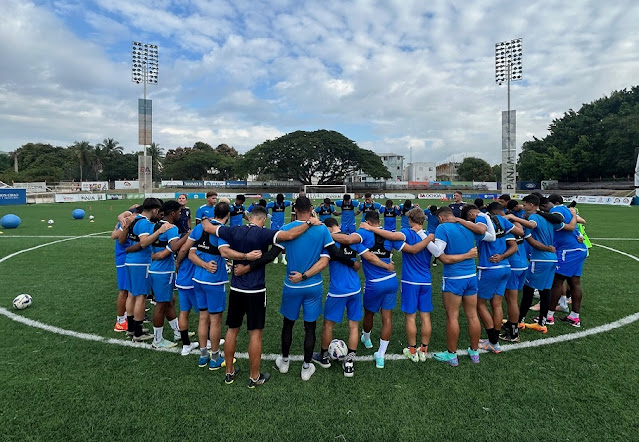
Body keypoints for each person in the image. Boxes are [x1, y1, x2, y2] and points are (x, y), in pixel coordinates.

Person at [202, 205, 321, 388]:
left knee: (232, 330)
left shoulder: (233, 230)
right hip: (255, 291)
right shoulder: (263, 234)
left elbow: (208, 227)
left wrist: (204, 218)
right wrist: (309, 222)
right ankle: (254, 377)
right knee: (255, 334)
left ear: (249, 217)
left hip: (236, 288)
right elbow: (289, 236)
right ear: (264, 219)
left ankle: (229, 372)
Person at [359, 208, 464, 363]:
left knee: (410, 317)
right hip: (426, 281)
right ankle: (424, 349)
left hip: (409, 281)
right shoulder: (429, 235)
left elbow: (394, 236)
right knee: (425, 316)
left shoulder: (407, 233)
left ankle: (413, 349)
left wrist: (371, 228)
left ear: (410, 220)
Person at [271, 197, 358, 381]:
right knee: (310, 327)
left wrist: (248, 264)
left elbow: (271, 255)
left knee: (288, 324)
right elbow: (334, 253)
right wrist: (352, 263)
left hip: (292, 285)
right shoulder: (321, 229)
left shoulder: (286, 229)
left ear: (294, 209)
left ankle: (285, 362)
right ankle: (306, 367)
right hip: (313, 285)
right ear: (311, 209)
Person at [189, 201, 262, 369]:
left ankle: (202, 355)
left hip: (197, 279)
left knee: (202, 317)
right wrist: (246, 256)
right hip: (214, 281)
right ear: (228, 216)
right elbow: (224, 252)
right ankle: (215, 358)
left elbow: (191, 253)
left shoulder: (200, 227)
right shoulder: (219, 231)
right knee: (215, 321)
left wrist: (202, 264)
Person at [332, 211, 407, 369]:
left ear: (366, 221)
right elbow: (403, 247)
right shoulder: (388, 234)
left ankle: (366, 339)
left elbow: (348, 239)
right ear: (379, 221)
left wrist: (327, 234)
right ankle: (381, 355)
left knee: (369, 313)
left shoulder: (363, 232)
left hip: (374, 284)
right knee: (387, 318)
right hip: (391, 280)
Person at [426, 206, 494, 366]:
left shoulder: (442, 227)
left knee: (452, 316)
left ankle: (451, 355)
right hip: (471, 276)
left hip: (454, 278)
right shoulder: (467, 225)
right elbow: (491, 236)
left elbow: (439, 253)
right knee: (472, 315)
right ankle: (474, 352)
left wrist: (425, 237)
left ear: (441, 218)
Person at [504, 194, 566, 333]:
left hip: (540, 259)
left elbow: (532, 235)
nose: (523, 208)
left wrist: (513, 218)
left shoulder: (533, 218)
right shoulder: (547, 218)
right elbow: (562, 225)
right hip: (551, 259)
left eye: (525, 205)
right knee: (545, 291)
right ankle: (542, 323)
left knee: (528, 290)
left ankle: (519, 321)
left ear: (531, 205)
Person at [311, 218, 363, 377]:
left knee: (328, 325)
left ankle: (324, 357)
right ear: (338, 226)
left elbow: (323, 263)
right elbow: (360, 261)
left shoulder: (329, 243)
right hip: (355, 289)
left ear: (327, 228)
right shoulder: (352, 239)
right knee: (353, 326)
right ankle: (349, 363)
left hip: (337, 291)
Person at [469, 202, 522, 353]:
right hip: (505, 268)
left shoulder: (481, 221)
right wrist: (503, 257)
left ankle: (493, 340)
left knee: (479, 304)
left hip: (489, 268)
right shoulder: (502, 222)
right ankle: (494, 341)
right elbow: (515, 243)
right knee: (497, 304)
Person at [119, 198, 174, 342]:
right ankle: (138, 333)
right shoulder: (144, 223)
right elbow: (143, 242)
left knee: (131, 295)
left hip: (131, 262)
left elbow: (126, 239)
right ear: (155, 210)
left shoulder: (135, 219)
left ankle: (131, 328)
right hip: (141, 263)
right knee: (141, 297)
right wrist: (159, 231)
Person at [148, 200, 190, 349]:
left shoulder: (156, 225)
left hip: (157, 269)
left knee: (170, 301)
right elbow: (174, 246)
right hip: (163, 272)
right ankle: (157, 341)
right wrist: (188, 235)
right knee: (161, 305)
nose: (180, 214)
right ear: (172, 213)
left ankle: (177, 331)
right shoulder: (171, 228)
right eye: (179, 211)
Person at [546, 194, 586, 327]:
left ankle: (548, 317)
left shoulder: (555, 211)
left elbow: (562, 222)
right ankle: (575, 317)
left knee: (557, 282)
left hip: (568, 251)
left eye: (546, 205)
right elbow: (581, 221)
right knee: (574, 282)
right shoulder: (568, 210)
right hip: (578, 248)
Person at [111, 206, 136, 333]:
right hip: (124, 259)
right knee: (124, 291)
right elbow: (114, 235)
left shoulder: (132, 221)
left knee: (131, 291)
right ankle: (120, 322)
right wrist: (124, 223)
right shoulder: (125, 222)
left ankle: (128, 316)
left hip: (130, 258)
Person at [266, 194, 292, 264]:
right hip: (274, 225)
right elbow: (266, 207)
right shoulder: (273, 204)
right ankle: (276, 257)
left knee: (283, 240)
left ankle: (283, 258)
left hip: (282, 225)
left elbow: (292, 203)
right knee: (275, 241)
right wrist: (268, 214)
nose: (280, 202)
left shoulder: (285, 203)